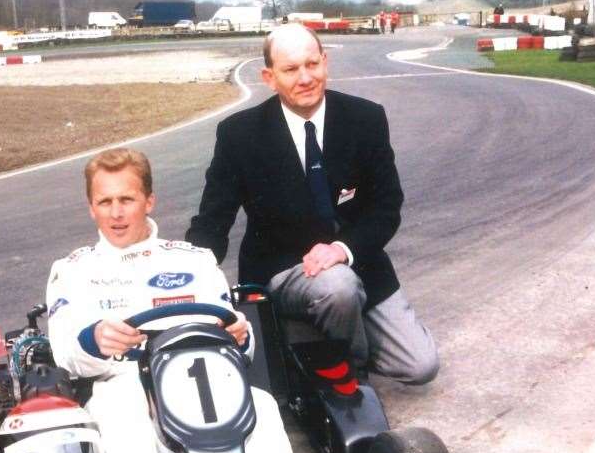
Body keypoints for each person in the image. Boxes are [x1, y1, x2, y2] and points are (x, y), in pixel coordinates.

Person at [46, 147, 338, 453]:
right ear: (91, 208)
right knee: (117, 402)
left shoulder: (193, 260)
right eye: (105, 202)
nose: (117, 212)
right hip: (127, 383)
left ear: (149, 201)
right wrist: (95, 338)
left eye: (126, 199)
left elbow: (241, 345)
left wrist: (242, 335)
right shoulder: (73, 270)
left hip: (203, 380)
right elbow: (64, 352)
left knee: (257, 400)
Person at [186, 23, 438, 385]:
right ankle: (348, 375)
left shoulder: (365, 119)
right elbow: (213, 220)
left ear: (325, 62)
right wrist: (186, 279)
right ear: (269, 77)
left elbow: (387, 206)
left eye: (312, 64)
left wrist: (343, 248)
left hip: (357, 261)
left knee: (420, 366)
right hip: (281, 269)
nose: (305, 78)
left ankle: (323, 337)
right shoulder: (239, 134)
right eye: (290, 70)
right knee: (337, 287)